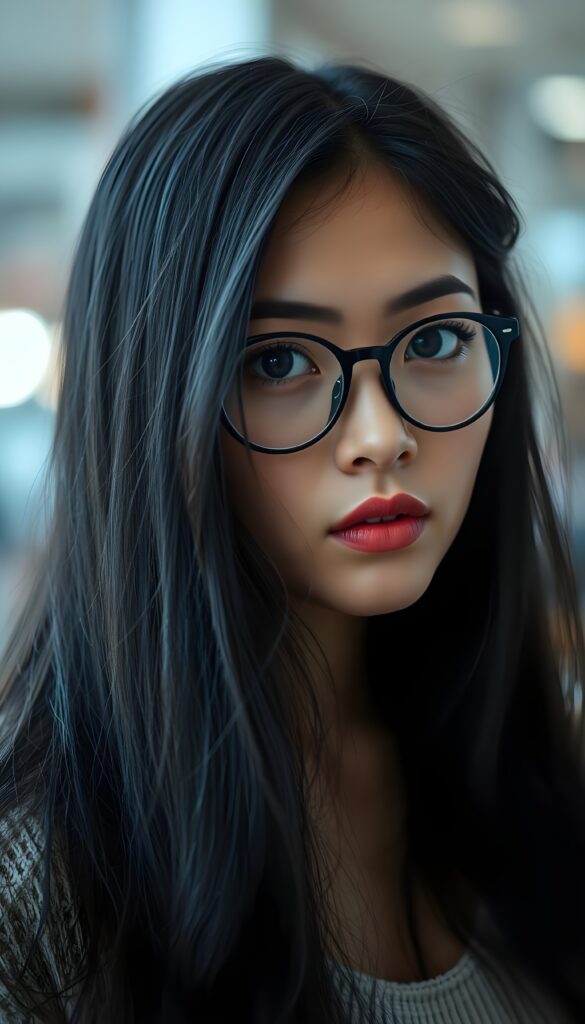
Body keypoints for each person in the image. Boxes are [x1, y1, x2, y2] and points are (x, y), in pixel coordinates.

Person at [0, 55, 583, 1024]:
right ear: (155, 408)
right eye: (277, 360)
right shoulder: (39, 912)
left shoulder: (543, 770)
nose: (380, 435)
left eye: (434, 340)